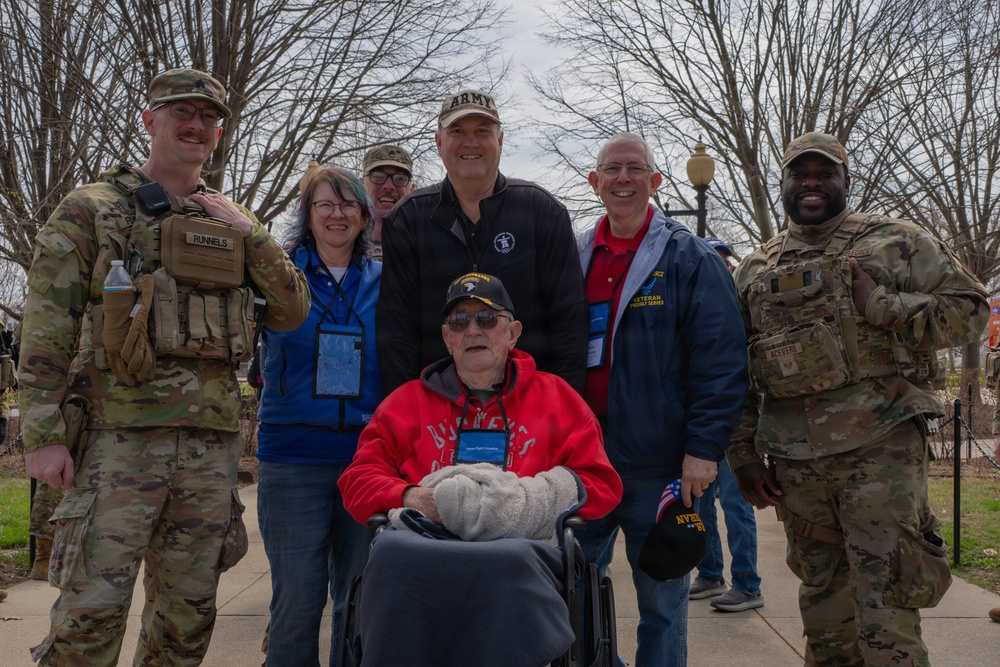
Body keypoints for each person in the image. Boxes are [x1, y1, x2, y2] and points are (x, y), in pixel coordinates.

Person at [18, 67, 310, 665]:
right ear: (151, 120)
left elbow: (291, 311)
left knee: (186, 621)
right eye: (183, 112)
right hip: (115, 442)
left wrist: (251, 232)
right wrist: (43, 436)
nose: (196, 125)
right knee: (88, 617)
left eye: (209, 117)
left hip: (209, 448)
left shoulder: (231, 220)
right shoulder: (94, 208)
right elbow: (48, 324)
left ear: (219, 132)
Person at [730, 132, 989, 666]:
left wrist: (885, 306)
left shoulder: (896, 241)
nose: (812, 184)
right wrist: (743, 455)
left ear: (846, 180)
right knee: (823, 606)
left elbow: (972, 311)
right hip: (797, 463)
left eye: (824, 173)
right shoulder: (755, 269)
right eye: (800, 174)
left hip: (881, 449)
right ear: (783, 182)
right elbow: (737, 369)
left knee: (887, 604)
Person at [575, 132, 748, 666]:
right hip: (583, 461)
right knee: (569, 594)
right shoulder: (573, 256)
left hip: (659, 466)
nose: (623, 178)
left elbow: (721, 361)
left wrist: (703, 449)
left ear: (654, 181)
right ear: (595, 181)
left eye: (635, 168)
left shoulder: (689, 257)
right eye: (612, 169)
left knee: (663, 606)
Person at [340, 271, 621, 525]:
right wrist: (410, 497)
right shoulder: (404, 404)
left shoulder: (559, 400)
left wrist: (529, 500)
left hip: (522, 553)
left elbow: (601, 484)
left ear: (513, 333)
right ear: (447, 338)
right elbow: (357, 481)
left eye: (487, 318)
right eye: (459, 321)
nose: (473, 330)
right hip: (428, 550)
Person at [255, 166, 384, 667]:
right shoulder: (277, 277)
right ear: (307, 214)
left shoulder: (386, 280)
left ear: (364, 217)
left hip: (365, 461)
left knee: (359, 603)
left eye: (348, 204)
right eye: (324, 204)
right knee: (296, 603)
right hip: (292, 459)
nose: (337, 214)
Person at [377, 89, 588, 394]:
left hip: (529, 405)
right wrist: (411, 411)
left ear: (500, 140)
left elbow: (569, 324)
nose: (470, 142)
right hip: (438, 406)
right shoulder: (408, 219)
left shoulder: (541, 211)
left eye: (482, 131)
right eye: (457, 131)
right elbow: (396, 333)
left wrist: (560, 407)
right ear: (439, 142)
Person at [687, 235, 764, 612]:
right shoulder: (695, 306)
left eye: (724, 259)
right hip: (702, 425)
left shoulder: (743, 305)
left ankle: (748, 585)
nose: (720, 265)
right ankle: (710, 572)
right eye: (713, 259)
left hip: (736, 427)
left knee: (736, 505)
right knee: (699, 505)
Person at [360, 144, 416, 261]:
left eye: (400, 178)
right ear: (361, 185)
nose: (389, 186)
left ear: (411, 190)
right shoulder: (343, 243)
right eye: (378, 176)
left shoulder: (424, 245)